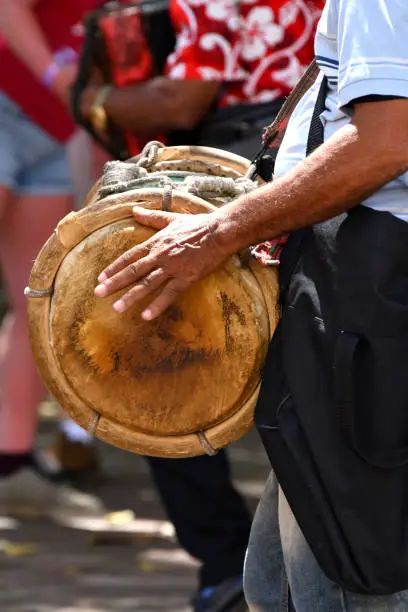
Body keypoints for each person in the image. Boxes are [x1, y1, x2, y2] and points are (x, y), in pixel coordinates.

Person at [90, 0, 408, 610]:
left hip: (373, 296)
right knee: (278, 580)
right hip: (360, 290)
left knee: (345, 576)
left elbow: (386, 141)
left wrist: (218, 232)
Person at [0, 0, 106, 520]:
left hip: (53, 129)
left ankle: (11, 463)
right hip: (7, 98)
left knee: (37, 300)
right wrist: (58, 75)